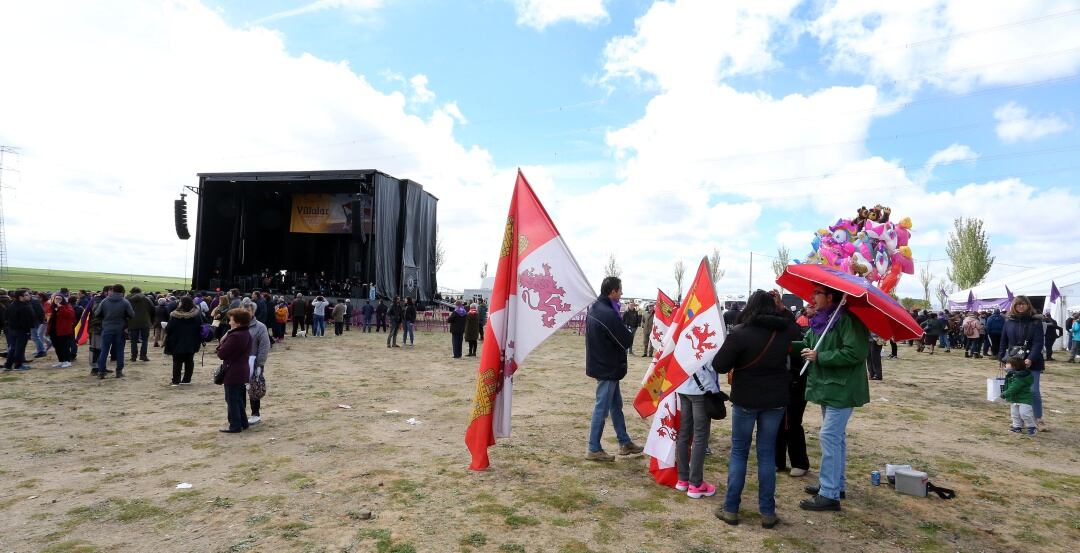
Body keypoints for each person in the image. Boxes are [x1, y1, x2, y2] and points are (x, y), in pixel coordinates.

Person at [713, 290, 799, 527]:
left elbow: (719, 365)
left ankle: (731, 508)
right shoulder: (784, 331)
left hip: (746, 399)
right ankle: (767, 512)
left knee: (739, 452)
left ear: (749, 307)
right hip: (775, 400)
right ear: (774, 307)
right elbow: (795, 327)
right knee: (766, 454)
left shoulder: (740, 333)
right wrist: (782, 309)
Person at [794, 285, 869, 512]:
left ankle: (829, 494)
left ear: (830, 297)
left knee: (829, 436)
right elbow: (809, 343)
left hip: (843, 389)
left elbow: (855, 352)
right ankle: (836, 485)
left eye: (817, 293)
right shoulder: (822, 320)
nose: (812, 297)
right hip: (829, 387)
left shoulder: (847, 320)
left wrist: (820, 356)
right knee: (836, 438)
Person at [584, 276, 643, 461]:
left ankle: (624, 442)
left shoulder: (596, 308)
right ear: (613, 291)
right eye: (620, 289)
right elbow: (626, 339)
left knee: (615, 405)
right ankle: (593, 447)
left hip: (604, 364)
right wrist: (625, 329)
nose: (622, 293)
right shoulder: (607, 313)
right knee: (602, 407)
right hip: (607, 367)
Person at [998, 296, 1046, 431]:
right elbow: (1004, 340)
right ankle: (1018, 420)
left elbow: (1038, 343)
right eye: (1018, 304)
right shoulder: (1008, 321)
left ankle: (1038, 419)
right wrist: (1001, 358)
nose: (1020, 306)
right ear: (1014, 306)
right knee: (1015, 389)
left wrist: (1030, 358)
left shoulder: (1035, 322)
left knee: (1033, 390)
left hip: (1033, 361)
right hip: (1014, 361)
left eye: (1023, 304)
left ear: (1028, 305)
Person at [217, 308, 253, 433]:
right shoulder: (245, 333)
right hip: (241, 369)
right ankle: (243, 422)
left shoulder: (235, 335)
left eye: (231, 320)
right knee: (237, 398)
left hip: (234, 370)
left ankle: (235, 425)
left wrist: (224, 339)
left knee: (231, 398)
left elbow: (221, 353)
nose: (229, 322)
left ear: (237, 322)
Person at [94, 284, 135, 379]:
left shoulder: (105, 301)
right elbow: (132, 315)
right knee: (120, 351)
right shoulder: (125, 302)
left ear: (112, 290)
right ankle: (119, 371)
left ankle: (101, 371)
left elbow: (97, 313)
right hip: (120, 329)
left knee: (104, 350)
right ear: (122, 291)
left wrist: (105, 317)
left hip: (107, 328)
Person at [242, 299, 271, 425]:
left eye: (248, 310)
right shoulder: (238, 324)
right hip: (238, 362)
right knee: (239, 389)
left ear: (253, 311)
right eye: (243, 309)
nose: (245, 312)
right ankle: (240, 413)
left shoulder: (260, 327)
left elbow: (264, 347)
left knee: (254, 389)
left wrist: (260, 364)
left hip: (253, 362)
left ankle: (255, 413)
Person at [163, 296, 203, 385]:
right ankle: (187, 379)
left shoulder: (175, 315)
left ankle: (176, 380)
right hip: (192, 340)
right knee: (189, 360)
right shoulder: (197, 314)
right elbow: (201, 325)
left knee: (177, 361)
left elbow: (169, 328)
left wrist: (166, 329)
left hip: (177, 340)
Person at [1002, 355, 1036, 435]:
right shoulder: (1012, 374)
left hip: (1024, 399)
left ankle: (1032, 427)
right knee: (1015, 414)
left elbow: (1014, 387)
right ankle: (1017, 427)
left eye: (1007, 363)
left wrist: (1005, 394)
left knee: (1025, 414)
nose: (1006, 365)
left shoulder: (1020, 377)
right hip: (1015, 399)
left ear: (1014, 366)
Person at [3, 290, 35, 371]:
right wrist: (28, 330)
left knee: (13, 348)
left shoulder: (12, 304)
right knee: (19, 349)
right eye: (27, 295)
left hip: (12, 329)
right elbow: (26, 321)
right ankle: (18, 365)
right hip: (22, 330)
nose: (29, 296)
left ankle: (8, 365)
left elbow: (6, 317)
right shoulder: (24, 306)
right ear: (21, 297)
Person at [46, 293, 76, 368]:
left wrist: (61, 307)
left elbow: (70, 315)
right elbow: (48, 316)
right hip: (53, 330)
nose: (57, 300)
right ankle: (61, 361)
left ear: (63, 300)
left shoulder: (67, 306)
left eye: (59, 298)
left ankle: (67, 361)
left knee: (64, 346)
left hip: (63, 331)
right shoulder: (52, 307)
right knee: (57, 346)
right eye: (56, 298)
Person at [126, 287, 154, 363]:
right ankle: (143, 356)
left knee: (133, 341)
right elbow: (152, 309)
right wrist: (150, 320)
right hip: (145, 322)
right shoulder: (147, 299)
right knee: (145, 340)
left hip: (132, 322)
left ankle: (133, 357)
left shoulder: (127, 299)